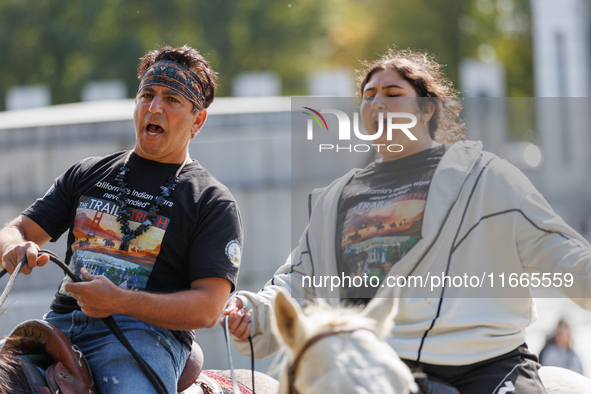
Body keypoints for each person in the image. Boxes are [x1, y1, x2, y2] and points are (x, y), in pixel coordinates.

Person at [222, 48, 591, 394]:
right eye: (369, 95)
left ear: (427, 109)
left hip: (485, 364)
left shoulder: (488, 178)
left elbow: (562, 253)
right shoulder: (335, 199)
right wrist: (253, 312)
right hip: (376, 361)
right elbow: (297, 281)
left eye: (393, 92)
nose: (377, 102)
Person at [0, 45, 243, 393]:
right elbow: (18, 229)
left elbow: (208, 307)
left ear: (198, 120)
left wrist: (120, 302)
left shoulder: (211, 201)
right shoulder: (87, 173)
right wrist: (13, 247)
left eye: (172, 99)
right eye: (147, 94)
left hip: (146, 337)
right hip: (56, 327)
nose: (155, 107)